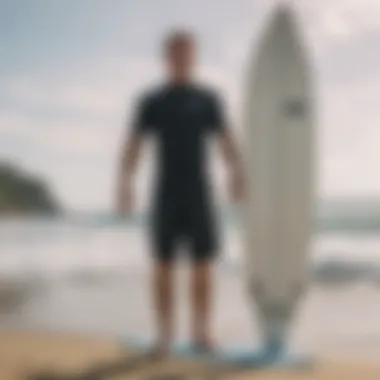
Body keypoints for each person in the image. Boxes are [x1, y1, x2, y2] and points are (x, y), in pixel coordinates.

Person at [116, 29, 245, 356]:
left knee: (203, 263)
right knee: (163, 265)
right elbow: (135, 143)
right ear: (166, 58)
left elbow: (225, 139)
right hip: (165, 193)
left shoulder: (208, 99)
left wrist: (236, 173)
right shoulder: (152, 101)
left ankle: (201, 332)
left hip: (200, 192)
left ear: (194, 57)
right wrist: (125, 183)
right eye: (175, 53)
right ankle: (164, 336)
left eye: (186, 53)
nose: (181, 59)